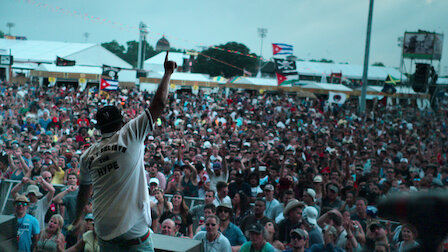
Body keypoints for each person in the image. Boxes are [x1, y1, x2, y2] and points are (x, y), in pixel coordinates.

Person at [72, 51, 177, 251]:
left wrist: (77, 218)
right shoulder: (130, 133)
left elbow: (84, 191)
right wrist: (167, 73)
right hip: (133, 234)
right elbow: (159, 104)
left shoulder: (87, 155)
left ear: (98, 128)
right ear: (122, 122)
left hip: (103, 230)